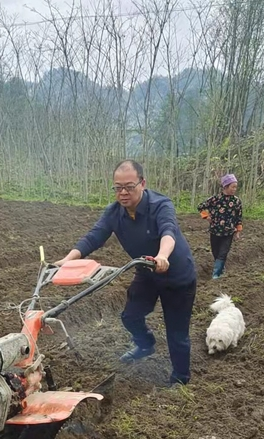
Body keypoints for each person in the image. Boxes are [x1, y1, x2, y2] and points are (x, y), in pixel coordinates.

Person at [55, 160, 197, 386]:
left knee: (176, 333)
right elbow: (94, 237)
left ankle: (180, 378)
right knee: (130, 316)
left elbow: (168, 231)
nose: (123, 192)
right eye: (117, 187)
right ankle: (145, 344)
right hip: (147, 272)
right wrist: (68, 260)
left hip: (176, 275)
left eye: (129, 187)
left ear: (143, 183)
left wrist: (162, 256)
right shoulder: (114, 213)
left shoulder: (161, 205)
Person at [197, 173, 244, 279]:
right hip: (215, 230)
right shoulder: (215, 199)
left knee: (223, 253)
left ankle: (216, 275)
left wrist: (238, 231)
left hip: (229, 232)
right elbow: (200, 206)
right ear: (225, 186)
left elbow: (239, 217)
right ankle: (221, 271)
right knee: (216, 253)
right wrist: (206, 216)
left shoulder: (236, 201)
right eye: (233, 187)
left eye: (235, 187)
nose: (234, 189)